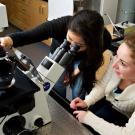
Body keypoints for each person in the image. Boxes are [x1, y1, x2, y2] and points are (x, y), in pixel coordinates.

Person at [0, 9, 111, 99]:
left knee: (78, 89)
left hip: (83, 59)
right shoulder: (62, 24)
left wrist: (78, 69)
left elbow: (94, 56)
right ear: (67, 29)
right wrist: (9, 39)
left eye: (78, 45)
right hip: (58, 55)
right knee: (57, 84)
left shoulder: (104, 39)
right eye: (69, 39)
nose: (72, 46)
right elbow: (32, 35)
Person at [70, 32, 135, 135]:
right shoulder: (116, 63)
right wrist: (87, 101)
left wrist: (88, 118)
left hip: (123, 117)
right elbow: (102, 85)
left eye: (123, 63)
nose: (114, 65)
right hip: (107, 102)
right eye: (116, 55)